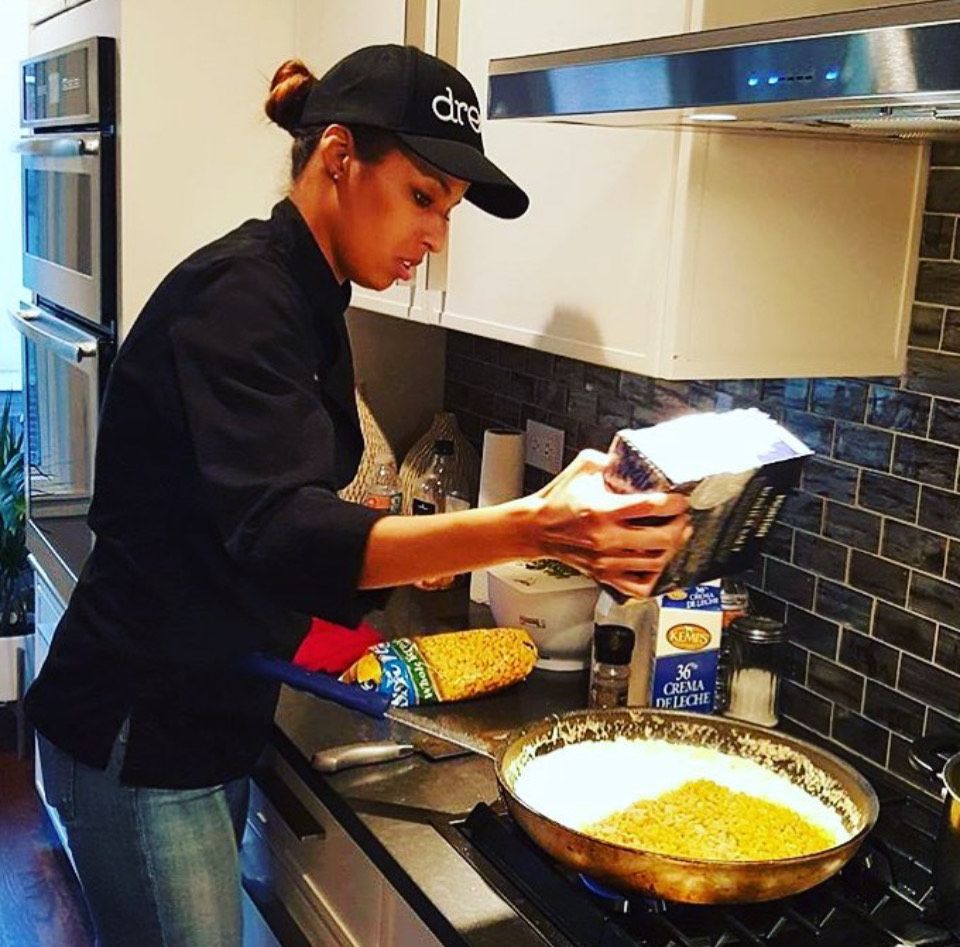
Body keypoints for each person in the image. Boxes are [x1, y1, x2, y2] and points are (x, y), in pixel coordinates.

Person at [25, 45, 690, 947]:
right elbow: (280, 529)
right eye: (423, 197)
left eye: (448, 210)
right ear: (338, 156)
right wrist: (534, 525)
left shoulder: (311, 297)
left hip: (204, 708)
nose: (437, 236)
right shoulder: (241, 297)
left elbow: (248, 522)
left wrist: (384, 587)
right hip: (139, 725)